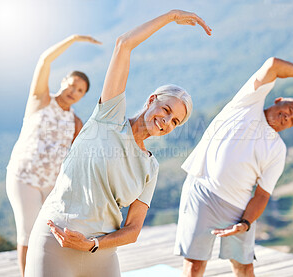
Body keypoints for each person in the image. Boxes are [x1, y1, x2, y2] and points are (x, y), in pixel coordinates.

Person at [24, 10, 211, 277]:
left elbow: (133, 229)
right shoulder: (109, 117)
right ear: (151, 100)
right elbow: (124, 44)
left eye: (175, 122)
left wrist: (93, 245)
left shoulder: (150, 167)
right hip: (56, 240)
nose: (167, 122)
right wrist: (170, 17)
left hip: (100, 253)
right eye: (167, 110)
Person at [174, 57, 293, 277]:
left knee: (244, 267)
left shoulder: (277, 150)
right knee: (194, 265)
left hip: (238, 208)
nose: (288, 116)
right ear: (278, 99)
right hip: (201, 192)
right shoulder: (248, 103)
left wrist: (245, 223)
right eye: (290, 109)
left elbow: (262, 195)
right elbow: (272, 65)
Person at [6, 34, 101, 276]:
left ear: (82, 96)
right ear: (63, 82)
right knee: (27, 232)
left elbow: (81, 157)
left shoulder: (76, 122)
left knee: (48, 232)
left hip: (52, 185)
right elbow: (44, 60)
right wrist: (74, 39)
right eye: (71, 84)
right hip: (23, 178)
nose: (74, 91)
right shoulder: (40, 100)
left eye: (80, 90)